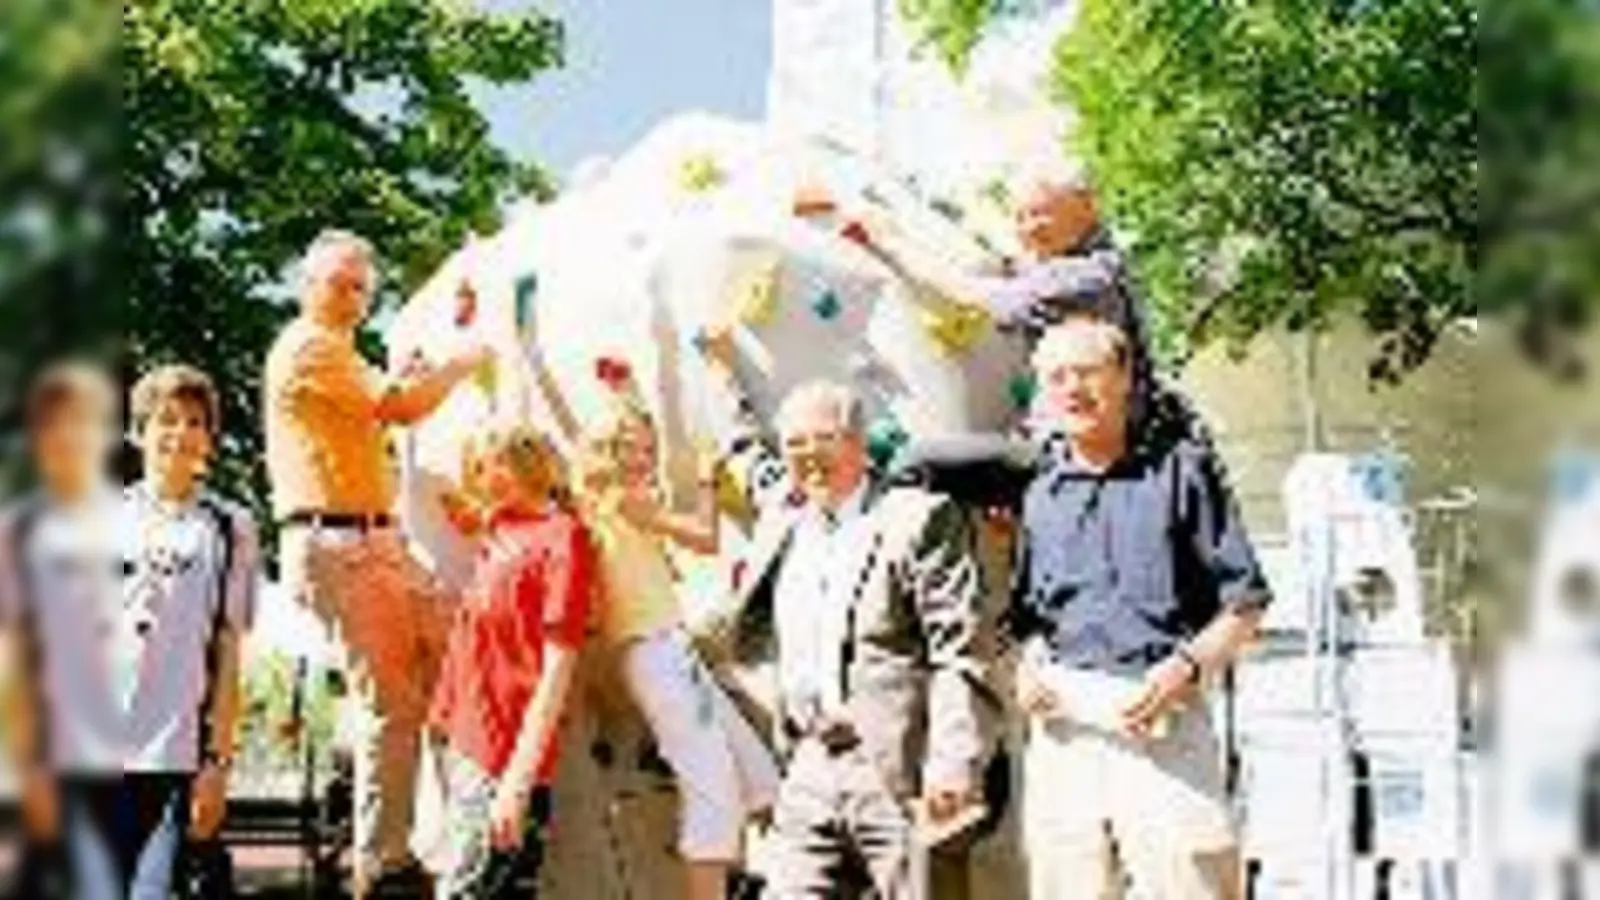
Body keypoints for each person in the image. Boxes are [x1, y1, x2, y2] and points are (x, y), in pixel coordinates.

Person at [694, 327, 997, 900]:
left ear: (858, 442)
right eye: (796, 445)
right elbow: (743, 444)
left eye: (824, 440)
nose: (808, 457)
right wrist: (719, 368)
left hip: (898, 767)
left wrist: (955, 760)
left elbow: (960, 651)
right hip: (808, 762)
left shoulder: (917, 518)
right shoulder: (785, 511)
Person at [1010, 314, 1270, 899]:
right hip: (1064, 739)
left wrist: (1187, 668)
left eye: (1087, 372)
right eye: (1057, 377)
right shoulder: (1041, 491)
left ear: (1125, 376)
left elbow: (1246, 605)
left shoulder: (1183, 469)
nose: (1073, 389)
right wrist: (1026, 669)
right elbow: (1028, 622)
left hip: (1162, 728)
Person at [263, 228, 489, 895]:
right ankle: (383, 865)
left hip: (375, 542)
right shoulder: (309, 345)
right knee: (391, 703)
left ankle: (440, 836)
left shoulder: (340, 354)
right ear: (308, 283)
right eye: (340, 282)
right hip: (343, 545)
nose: (354, 297)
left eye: (363, 286)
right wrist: (465, 362)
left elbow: (387, 401)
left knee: (454, 648)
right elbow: (402, 405)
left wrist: (415, 379)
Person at [561, 362, 780, 900]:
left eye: (646, 447)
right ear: (607, 452)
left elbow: (581, 437)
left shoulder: (605, 501)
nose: (642, 457)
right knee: (713, 792)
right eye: (630, 447)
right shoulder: (624, 502)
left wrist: (624, 395)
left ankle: (767, 880)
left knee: (759, 777)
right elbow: (705, 538)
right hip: (656, 656)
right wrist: (706, 473)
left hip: (668, 652)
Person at [419, 424, 597, 897]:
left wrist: (517, 780)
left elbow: (559, 666)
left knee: (467, 889)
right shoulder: (500, 526)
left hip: (501, 756)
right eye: (479, 466)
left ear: (528, 462)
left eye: (495, 462)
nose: (485, 476)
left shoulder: (565, 538)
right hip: (457, 739)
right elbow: (457, 504)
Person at [120, 364, 259, 895]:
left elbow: (228, 652)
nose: (181, 433)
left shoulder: (230, 526)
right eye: (167, 419)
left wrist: (217, 764)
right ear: (139, 432)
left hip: (174, 760)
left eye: (196, 422)